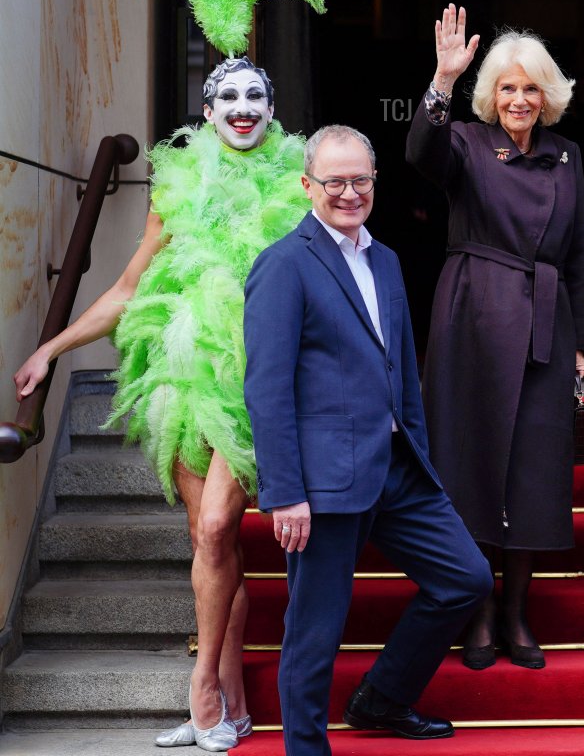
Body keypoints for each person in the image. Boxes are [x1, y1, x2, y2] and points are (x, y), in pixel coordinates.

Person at [15, 54, 308, 751]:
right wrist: (50, 348)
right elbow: (125, 290)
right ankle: (231, 708)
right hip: (180, 377)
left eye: (255, 97)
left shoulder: (298, 189)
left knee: (213, 530)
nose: (242, 107)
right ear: (207, 113)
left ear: (271, 110)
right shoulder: (175, 192)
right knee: (212, 544)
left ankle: (201, 687)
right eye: (227, 97)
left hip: (253, 383)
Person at [243, 125, 493, 756]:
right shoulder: (282, 265)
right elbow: (266, 389)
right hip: (323, 482)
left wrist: (420, 452)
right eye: (335, 182)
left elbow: (401, 367)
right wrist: (284, 492)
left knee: (465, 578)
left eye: (361, 180)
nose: (349, 193)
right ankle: (306, 749)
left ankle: (382, 698)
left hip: (397, 468)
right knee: (315, 629)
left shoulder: (384, 259)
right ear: (308, 185)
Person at [405, 5, 584, 671]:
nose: (519, 99)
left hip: (546, 325)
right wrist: (441, 80)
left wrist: (581, 339)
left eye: (531, 88)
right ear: (492, 95)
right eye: (508, 88)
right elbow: (417, 154)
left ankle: (515, 614)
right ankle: (478, 612)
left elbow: (577, 254)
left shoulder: (568, 155)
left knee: (533, 476)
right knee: (472, 466)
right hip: (474, 321)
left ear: (549, 97)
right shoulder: (461, 140)